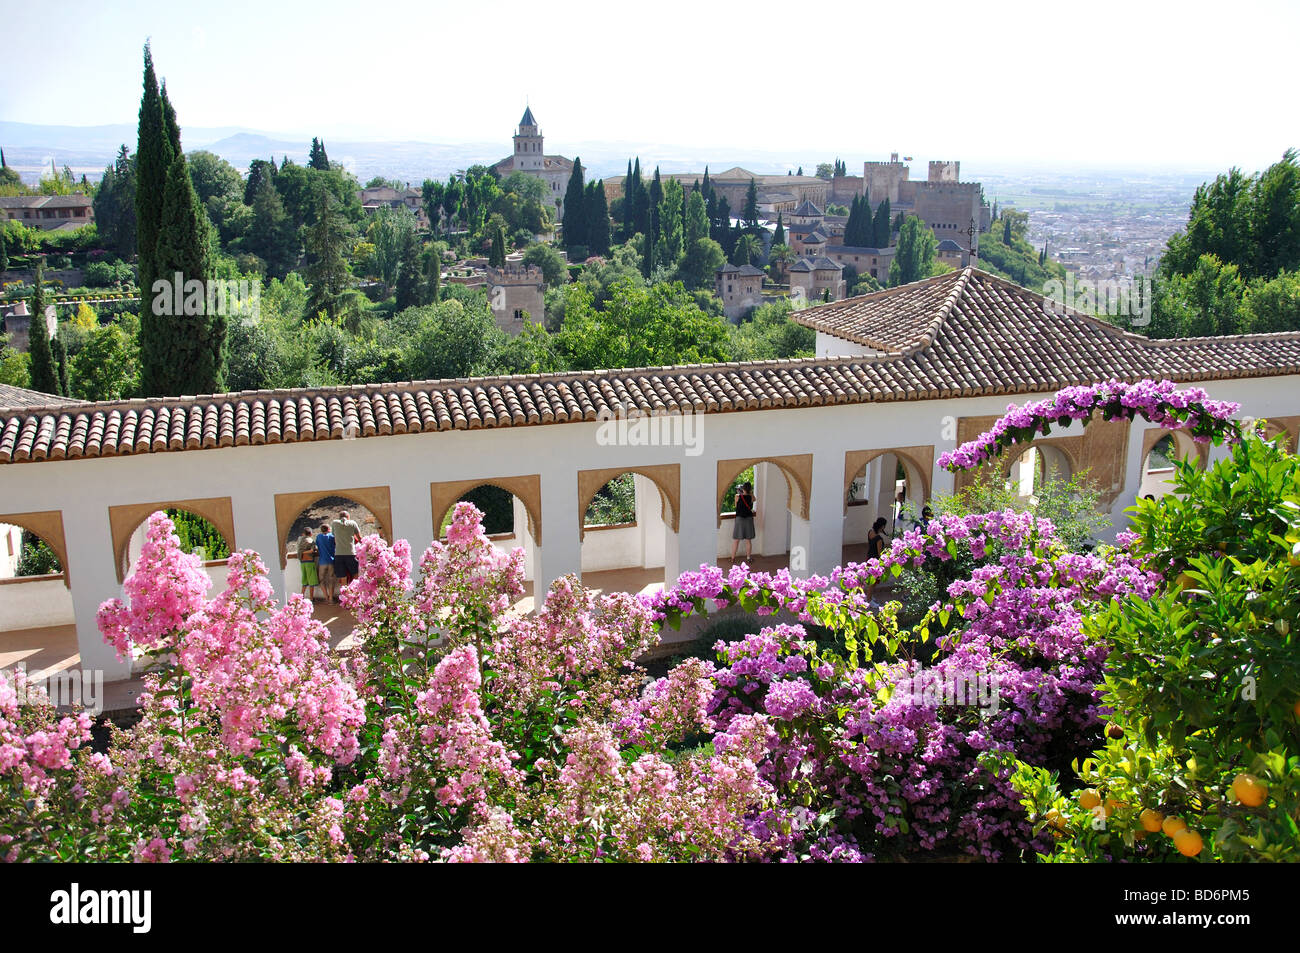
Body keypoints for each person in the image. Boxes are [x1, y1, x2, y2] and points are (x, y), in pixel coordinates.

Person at [331, 510, 363, 588]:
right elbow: (359, 538)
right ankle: (356, 593)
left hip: (338, 554)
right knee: (355, 574)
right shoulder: (353, 523)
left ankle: (345, 596)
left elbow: (333, 535)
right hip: (351, 553)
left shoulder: (334, 523)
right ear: (348, 517)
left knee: (343, 577)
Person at [730, 481, 757, 562]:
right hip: (749, 519)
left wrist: (741, 492)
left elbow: (736, 505)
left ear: (743, 488)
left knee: (736, 540)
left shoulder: (737, 496)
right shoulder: (751, 497)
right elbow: (754, 498)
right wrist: (750, 492)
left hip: (739, 519)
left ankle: (732, 558)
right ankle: (748, 558)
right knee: (748, 540)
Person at [866, 517, 889, 603]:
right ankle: (869, 600)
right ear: (882, 526)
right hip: (875, 561)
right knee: (873, 582)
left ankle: (870, 596)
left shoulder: (870, 532)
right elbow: (880, 553)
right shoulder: (879, 539)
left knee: (871, 581)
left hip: (869, 558)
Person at [315, 523, 337, 605]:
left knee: (321, 580)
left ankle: (326, 597)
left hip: (322, 561)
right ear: (328, 529)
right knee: (331, 580)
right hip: (331, 561)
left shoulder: (318, 537)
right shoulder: (332, 536)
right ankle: (331, 599)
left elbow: (316, 546)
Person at [297, 528, 320, 601]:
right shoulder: (310, 541)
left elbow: (300, 551)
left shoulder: (300, 540)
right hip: (309, 562)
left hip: (302, 562)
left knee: (304, 581)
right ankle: (311, 598)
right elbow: (314, 549)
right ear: (310, 534)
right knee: (311, 582)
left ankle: (300, 598)